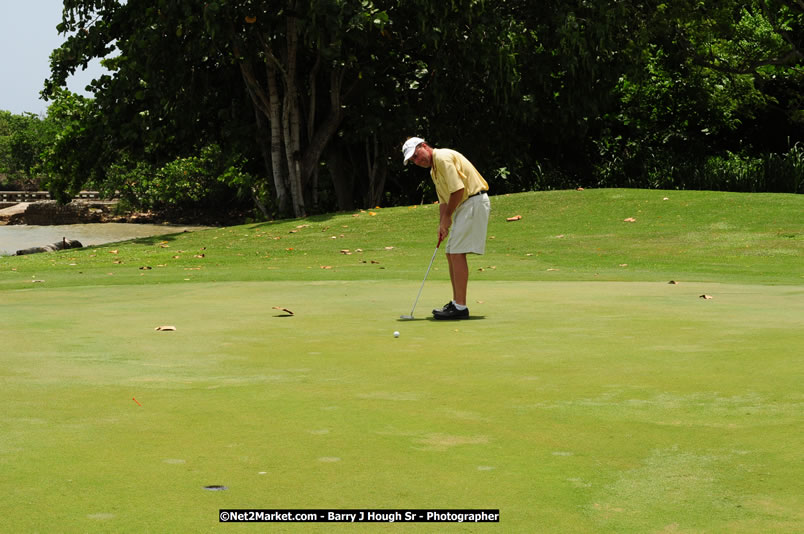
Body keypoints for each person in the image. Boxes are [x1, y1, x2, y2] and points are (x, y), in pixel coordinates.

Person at [402, 137, 490, 320]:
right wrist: (442, 222)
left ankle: (460, 307)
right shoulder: (434, 171)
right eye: (414, 160)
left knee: (457, 253)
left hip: (473, 201)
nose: (418, 161)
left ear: (424, 146)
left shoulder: (442, 157)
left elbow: (457, 190)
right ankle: (457, 302)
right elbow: (444, 200)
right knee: (451, 252)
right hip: (465, 206)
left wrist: (448, 217)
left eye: (417, 155)